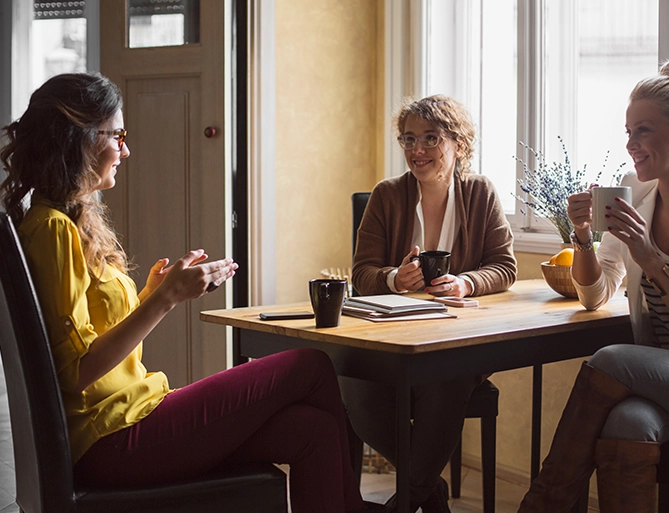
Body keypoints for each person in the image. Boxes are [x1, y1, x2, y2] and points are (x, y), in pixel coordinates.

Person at [0, 72, 383, 513]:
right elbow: (75, 374)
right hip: (112, 439)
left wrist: (152, 295)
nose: (125, 149)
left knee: (311, 430)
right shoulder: (51, 230)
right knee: (310, 365)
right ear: (79, 139)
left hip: (129, 419)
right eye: (117, 135)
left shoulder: (66, 224)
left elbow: (92, 339)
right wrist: (166, 300)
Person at [517, 58, 669, 513]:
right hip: (664, 377)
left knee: (611, 358)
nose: (630, 145)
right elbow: (596, 296)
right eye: (628, 131)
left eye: (643, 132)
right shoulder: (637, 191)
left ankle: (542, 504)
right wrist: (584, 238)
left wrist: (651, 261)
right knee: (625, 423)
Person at [345, 95, 517, 513]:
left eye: (430, 139)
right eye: (408, 139)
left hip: (456, 341)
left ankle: (405, 501)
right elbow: (361, 273)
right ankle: (426, 489)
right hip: (392, 341)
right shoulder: (387, 196)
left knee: (445, 377)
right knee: (354, 385)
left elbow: (504, 266)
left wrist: (466, 282)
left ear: (458, 143)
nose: (416, 151)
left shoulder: (480, 193)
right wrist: (392, 278)